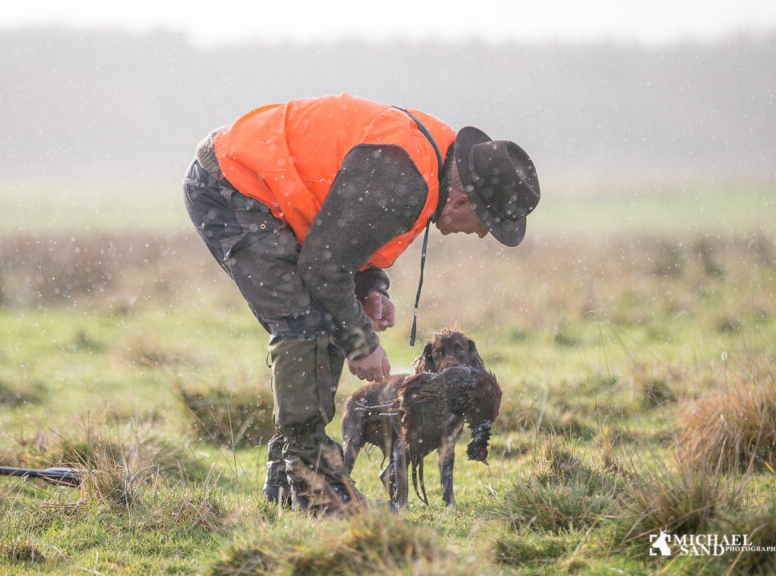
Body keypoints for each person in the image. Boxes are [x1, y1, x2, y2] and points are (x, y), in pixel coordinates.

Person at [183, 93, 539, 515]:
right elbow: (323, 268)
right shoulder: (404, 180)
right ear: (462, 203)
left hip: (262, 190)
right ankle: (318, 490)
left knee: (324, 319)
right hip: (231, 185)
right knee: (305, 325)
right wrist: (361, 343)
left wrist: (372, 287)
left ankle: (286, 482)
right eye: (486, 226)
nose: (480, 236)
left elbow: (345, 234)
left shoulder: (429, 165)